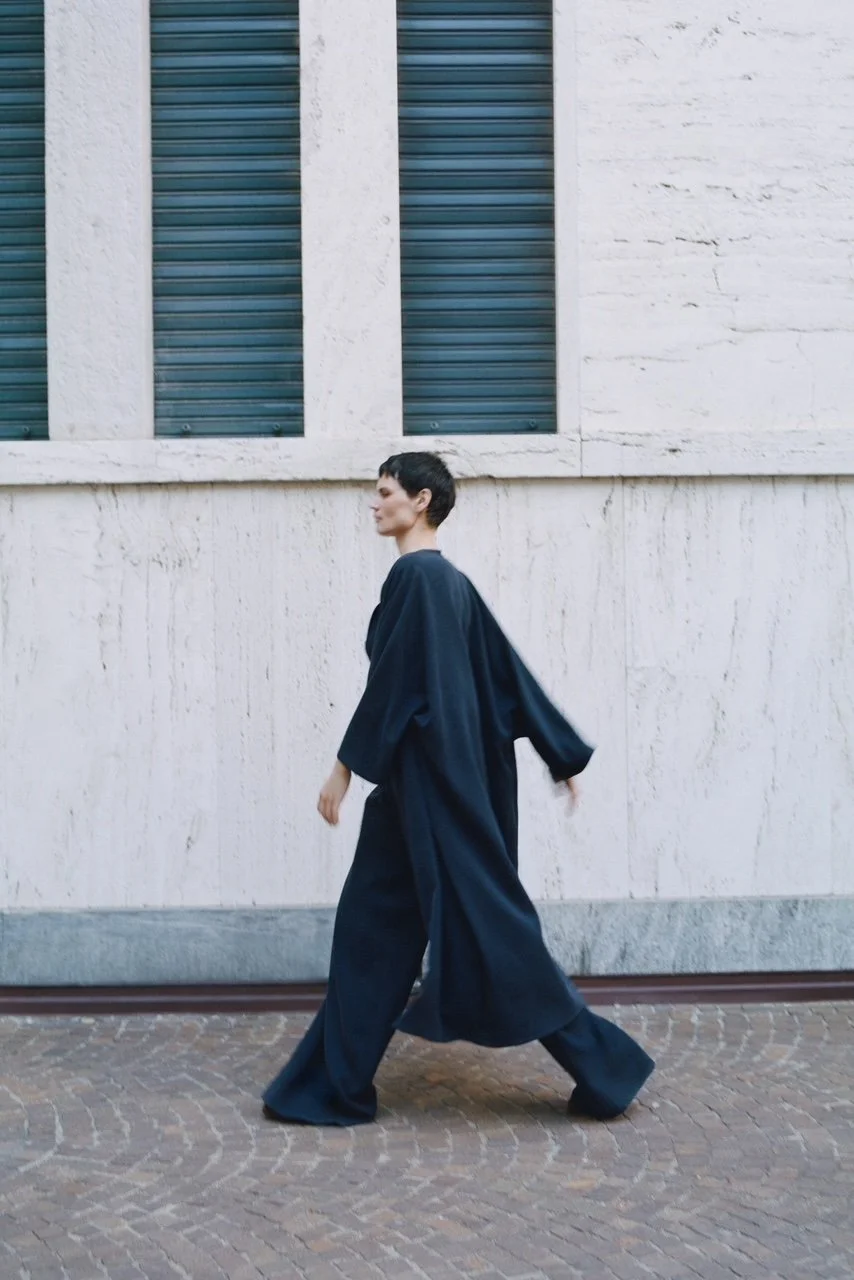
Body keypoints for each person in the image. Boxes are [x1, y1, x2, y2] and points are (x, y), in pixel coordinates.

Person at [263, 452, 654, 1126]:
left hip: (435, 797)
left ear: (420, 500)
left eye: (383, 492)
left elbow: (395, 683)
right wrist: (559, 753)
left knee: (497, 936)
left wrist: (344, 767)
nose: (373, 504)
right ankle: (334, 1085)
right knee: (372, 937)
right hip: (422, 795)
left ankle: (608, 1066)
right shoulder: (450, 584)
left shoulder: (417, 578)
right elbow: (507, 674)